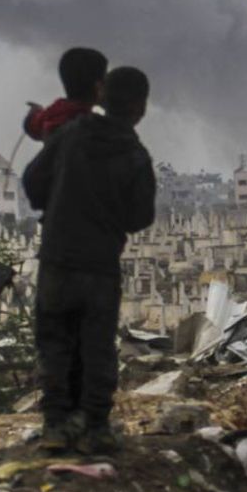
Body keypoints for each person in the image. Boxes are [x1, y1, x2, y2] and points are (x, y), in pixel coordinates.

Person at [23, 67, 156, 454]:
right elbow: (140, 217)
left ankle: (55, 425)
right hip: (99, 264)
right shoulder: (134, 155)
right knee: (96, 346)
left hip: (58, 258)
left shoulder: (69, 136)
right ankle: (95, 428)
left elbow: (33, 182)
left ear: (102, 96)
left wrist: (60, 202)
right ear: (140, 108)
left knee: (55, 343)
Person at [23, 47, 108, 141]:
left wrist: (35, 110)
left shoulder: (53, 114)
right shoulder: (94, 128)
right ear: (98, 86)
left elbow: (32, 124)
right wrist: (110, 105)